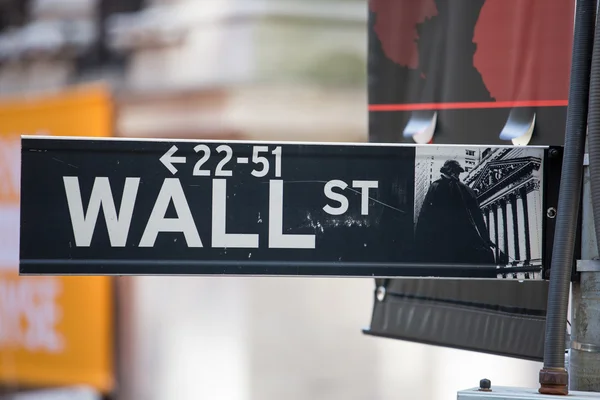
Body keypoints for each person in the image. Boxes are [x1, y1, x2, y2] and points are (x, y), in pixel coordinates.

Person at [413, 159, 495, 264]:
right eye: (455, 171)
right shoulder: (437, 186)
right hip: (446, 239)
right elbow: (425, 215)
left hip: (455, 239)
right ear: (448, 171)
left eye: (457, 171)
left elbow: (477, 216)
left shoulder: (463, 189)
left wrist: (486, 239)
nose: (456, 174)